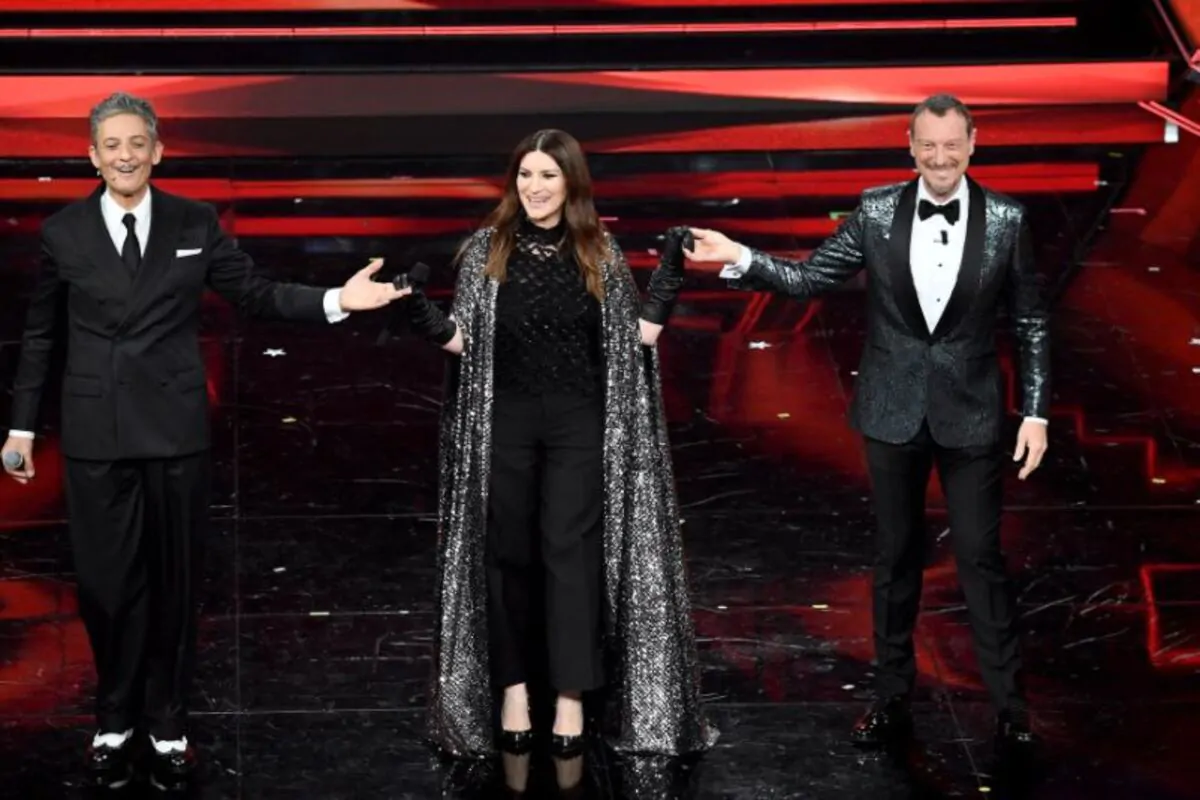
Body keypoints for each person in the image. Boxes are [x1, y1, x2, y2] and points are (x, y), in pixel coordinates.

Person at [1, 92, 409, 790]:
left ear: (158, 151)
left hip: (173, 430)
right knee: (104, 588)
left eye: (137, 143)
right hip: (98, 433)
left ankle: (167, 721)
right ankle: (113, 716)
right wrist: (20, 426)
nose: (125, 156)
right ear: (93, 157)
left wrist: (337, 300)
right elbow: (42, 333)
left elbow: (257, 293)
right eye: (112, 145)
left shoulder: (195, 221)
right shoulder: (63, 232)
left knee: (174, 585)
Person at [683, 94, 1048, 756]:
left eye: (952, 145)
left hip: (971, 413)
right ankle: (889, 700)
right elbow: (809, 279)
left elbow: (1030, 320)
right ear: (910, 146)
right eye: (928, 145)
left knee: (979, 558)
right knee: (895, 558)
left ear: (973, 144)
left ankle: (1011, 709)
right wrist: (741, 255)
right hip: (890, 410)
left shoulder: (1006, 218)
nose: (940, 158)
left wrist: (1038, 411)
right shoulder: (877, 211)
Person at [400, 128, 716, 758]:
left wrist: (671, 272)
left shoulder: (599, 250)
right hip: (506, 418)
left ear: (571, 181)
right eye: (525, 175)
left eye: (547, 175)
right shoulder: (488, 248)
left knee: (569, 551)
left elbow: (636, 339)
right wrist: (416, 308)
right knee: (507, 551)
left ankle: (571, 695)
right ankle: (514, 690)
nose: (535, 187)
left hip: (578, 420)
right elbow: (463, 342)